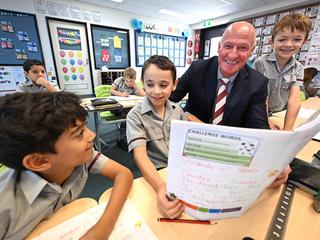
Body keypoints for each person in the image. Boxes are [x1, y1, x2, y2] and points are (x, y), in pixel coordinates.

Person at [0, 92, 133, 239]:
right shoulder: (5, 207)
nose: (92, 135)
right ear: (39, 161)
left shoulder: (81, 157)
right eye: (79, 134)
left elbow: (123, 174)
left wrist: (103, 227)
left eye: (85, 127)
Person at [126, 55, 194, 219]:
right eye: (150, 84)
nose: (156, 91)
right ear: (142, 82)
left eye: (163, 85)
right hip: (156, 175)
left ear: (174, 85)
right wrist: (159, 186)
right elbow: (140, 156)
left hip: (180, 173)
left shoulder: (178, 111)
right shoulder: (135, 116)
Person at [170, 21, 269, 129]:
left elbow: (259, 128)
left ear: (251, 51)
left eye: (242, 48)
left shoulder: (258, 83)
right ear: (219, 47)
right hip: (192, 135)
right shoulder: (197, 69)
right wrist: (185, 115)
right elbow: (168, 100)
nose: (233, 55)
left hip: (229, 142)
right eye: (228, 46)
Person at [253, 14, 312, 130]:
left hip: (279, 113)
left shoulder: (298, 67)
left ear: (304, 42)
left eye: (297, 39)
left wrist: (287, 130)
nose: (289, 44)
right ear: (272, 42)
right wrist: (265, 121)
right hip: (258, 112)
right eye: (282, 39)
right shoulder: (260, 63)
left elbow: (294, 100)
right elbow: (259, 98)